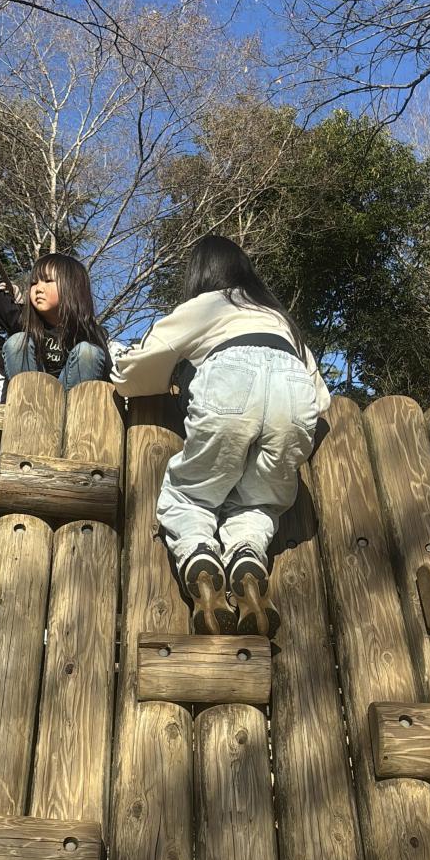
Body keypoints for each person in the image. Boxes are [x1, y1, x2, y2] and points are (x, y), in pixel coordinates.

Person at [111, 234, 330, 636]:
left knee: (192, 494)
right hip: (295, 396)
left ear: (200, 274)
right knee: (260, 501)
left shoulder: (208, 304)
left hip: (231, 382)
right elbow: (322, 399)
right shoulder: (279, 318)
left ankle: (199, 554)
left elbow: (136, 373)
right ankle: (247, 556)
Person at [0, 243, 109, 390]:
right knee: (18, 342)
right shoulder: (23, 319)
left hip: (71, 403)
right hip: (31, 400)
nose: (38, 288)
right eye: (34, 283)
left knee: (89, 352)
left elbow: (108, 376)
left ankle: (71, 409)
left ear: (73, 289)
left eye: (48, 281)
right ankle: (29, 404)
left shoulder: (89, 332)